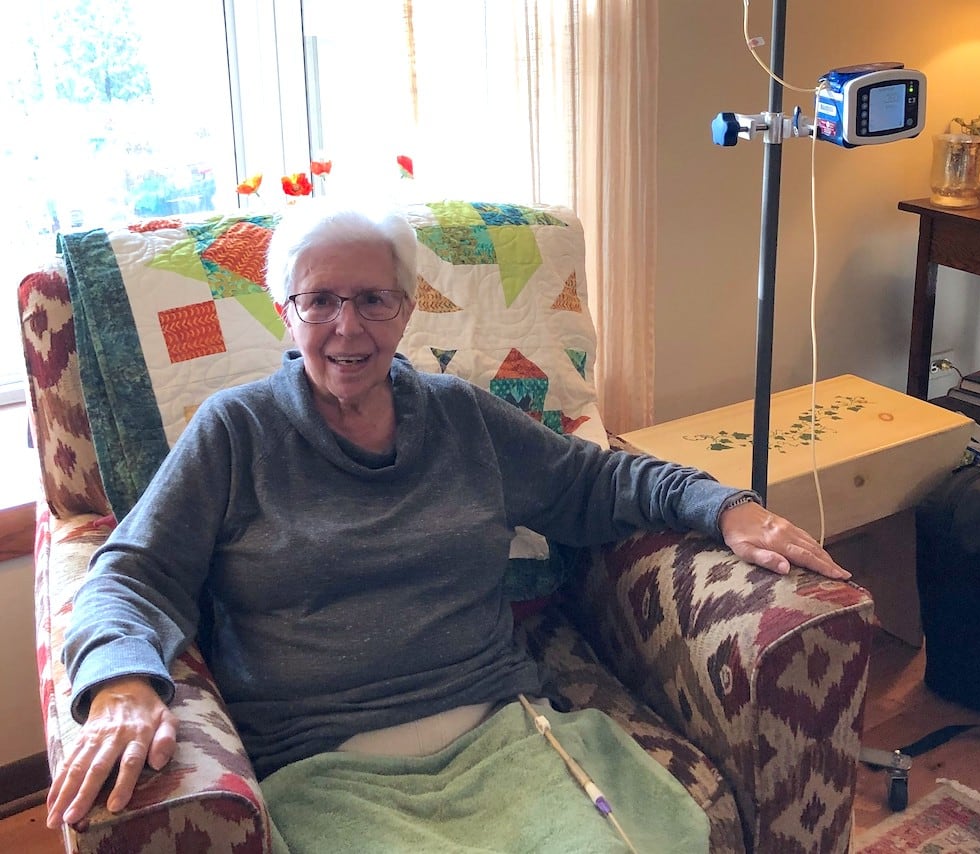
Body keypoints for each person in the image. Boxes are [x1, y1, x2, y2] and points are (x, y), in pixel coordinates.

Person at [46, 200, 850, 841]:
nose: (346, 328)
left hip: (504, 730)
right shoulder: (235, 431)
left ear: (405, 309)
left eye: (371, 300)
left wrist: (727, 506)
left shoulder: (461, 416)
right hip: (324, 763)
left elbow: (598, 484)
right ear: (286, 310)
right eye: (319, 300)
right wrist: (119, 678)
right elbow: (131, 573)